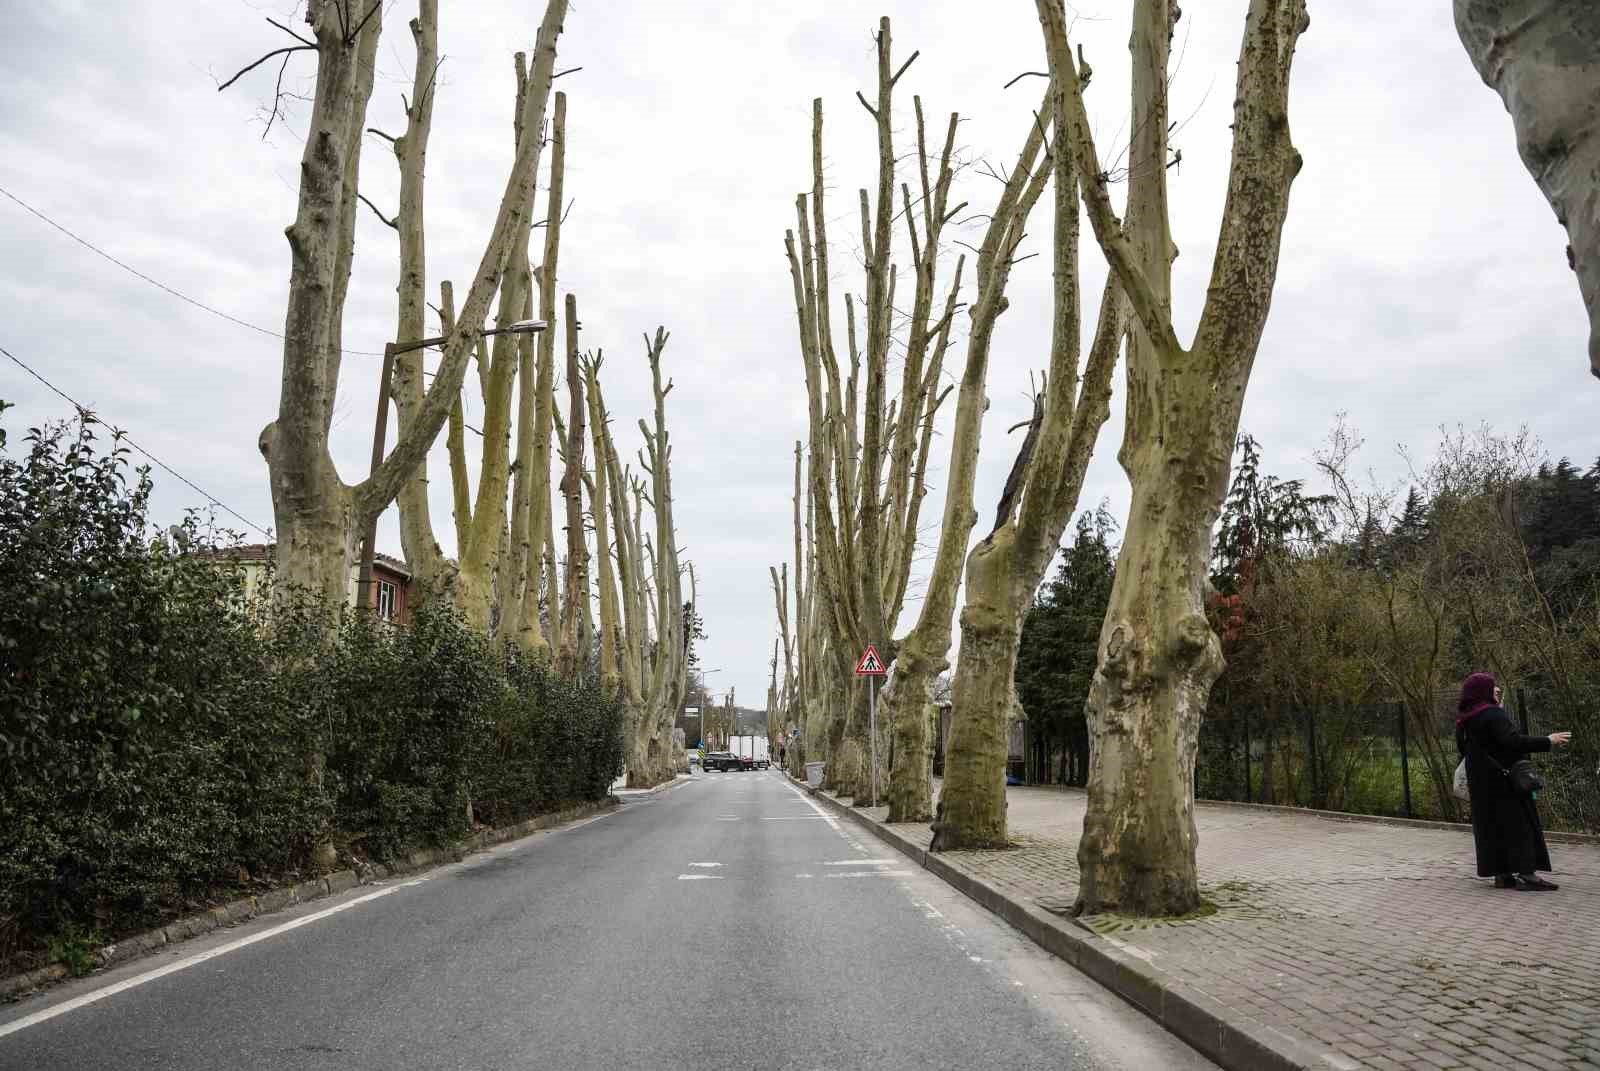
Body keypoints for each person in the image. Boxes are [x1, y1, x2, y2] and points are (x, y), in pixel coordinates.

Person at [1455, 672, 1572, 890]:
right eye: (1492, 686)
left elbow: (1463, 751)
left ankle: (1502, 874)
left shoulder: (1464, 720)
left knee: (1492, 828)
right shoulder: (1493, 714)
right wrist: (1548, 740)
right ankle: (1527, 875)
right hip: (1505, 781)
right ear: (1482, 691)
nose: (1497, 690)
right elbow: (1513, 741)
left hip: (1482, 785)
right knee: (1521, 825)